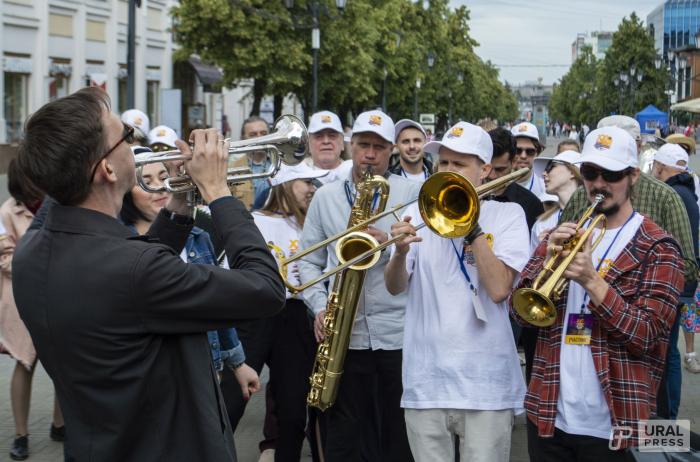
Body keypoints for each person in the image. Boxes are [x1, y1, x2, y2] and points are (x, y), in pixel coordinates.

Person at [12, 87, 285, 461]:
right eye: (125, 135)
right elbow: (266, 289)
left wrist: (182, 197)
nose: (134, 144)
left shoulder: (33, 248)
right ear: (107, 169)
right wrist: (219, 191)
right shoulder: (134, 270)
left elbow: (133, 272)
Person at [512, 126, 685, 459]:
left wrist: (594, 282)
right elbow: (519, 314)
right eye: (591, 172)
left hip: (617, 422)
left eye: (612, 173)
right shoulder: (562, 235)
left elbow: (647, 335)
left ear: (633, 175)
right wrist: (546, 261)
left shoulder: (659, 247)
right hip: (548, 415)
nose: (600, 184)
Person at [385, 122, 528, 462]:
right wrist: (400, 252)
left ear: (485, 170)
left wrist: (471, 224)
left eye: (459, 164)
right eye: (444, 163)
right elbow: (394, 287)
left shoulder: (509, 214)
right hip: (426, 382)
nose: (448, 171)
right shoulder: (418, 213)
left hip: (485, 385)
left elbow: (497, 289)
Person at [298, 109, 420, 461]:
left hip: (397, 334)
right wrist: (319, 306)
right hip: (344, 336)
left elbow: (420, 266)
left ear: (391, 150)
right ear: (350, 145)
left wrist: (390, 247)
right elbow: (308, 261)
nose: (370, 154)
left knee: (397, 435)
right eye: (363, 145)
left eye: (379, 147)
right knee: (346, 435)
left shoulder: (410, 192)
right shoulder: (326, 197)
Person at [120, 147, 261, 396]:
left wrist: (237, 362)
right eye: (145, 181)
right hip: (152, 371)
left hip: (206, 365)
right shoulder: (119, 243)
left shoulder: (198, 237)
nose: (160, 187)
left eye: (164, 177)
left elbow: (215, 307)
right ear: (126, 193)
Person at [249, 163, 329, 462]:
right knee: (231, 399)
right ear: (285, 184)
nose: (312, 189)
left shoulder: (313, 223)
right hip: (258, 313)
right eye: (305, 182)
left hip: (297, 315)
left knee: (293, 409)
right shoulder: (255, 221)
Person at [0, 162, 64, 461]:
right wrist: (37, 265)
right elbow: (4, 257)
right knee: (25, 364)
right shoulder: (6, 211)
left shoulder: (60, 203)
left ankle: (59, 424)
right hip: (22, 299)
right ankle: (22, 435)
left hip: (60, 295)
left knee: (64, 366)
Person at [651, 144, 700, 416]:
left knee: (667, 352)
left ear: (659, 167)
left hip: (676, 282)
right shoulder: (687, 191)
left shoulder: (673, 194)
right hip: (684, 282)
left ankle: (666, 419)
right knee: (668, 350)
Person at [529, 150, 582, 252]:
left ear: (572, 172)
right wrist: (541, 251)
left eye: (550, 167)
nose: (544, 173)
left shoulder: (593, 215)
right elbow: (532, 266)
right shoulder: (542, 223)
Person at [302, 110, 353, 184]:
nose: (326, 141)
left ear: (342, 143)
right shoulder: (296, 175)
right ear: (309, 143)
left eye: (332, 136)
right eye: (319, 136)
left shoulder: (354, 173)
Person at [232, 116, 272, 210]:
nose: (259, 138)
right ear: (243, 139)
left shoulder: (282, 165)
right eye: (253, 134)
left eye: (263, 133)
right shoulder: (232, 169)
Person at [511, 122, 546, 199]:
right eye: (517, 150)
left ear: (537, 153)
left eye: (530, 151)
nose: (523, 156)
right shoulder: (496, 184)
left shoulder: (545, 187)